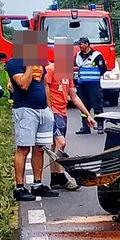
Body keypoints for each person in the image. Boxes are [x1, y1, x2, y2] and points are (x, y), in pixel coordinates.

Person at [5, 29, 60, 201]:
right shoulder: (14, 63)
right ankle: (19, 187)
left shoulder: (40, 63)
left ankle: (37, 184)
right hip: (25, 110)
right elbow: (23, 84)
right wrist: (29, 64)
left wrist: (49, 109)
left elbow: (44, 85)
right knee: (23, 148)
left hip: (42, 109)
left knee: (39, 148)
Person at [46, 55, 96, 190]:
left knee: (54, 146)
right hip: (54, 112)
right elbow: (45, 92)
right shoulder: (50, 70)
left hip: (63, 113)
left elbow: (73, 96)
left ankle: (54, 178)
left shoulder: (67, 74)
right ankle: (62, 178)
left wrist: (87, 115)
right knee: (61, 144)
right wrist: (49, 111)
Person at [73, 36, 106, 134]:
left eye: (81, 44)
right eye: (79, 44)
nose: (80, 46)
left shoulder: (97, 55)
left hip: (94, 85)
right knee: (83, 105)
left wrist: (94, 76)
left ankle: (100, 126)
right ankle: (85, 127)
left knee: (97, 105)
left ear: (87, 44)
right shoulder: (78, 55)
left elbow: (103, 68)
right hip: (82, 84)